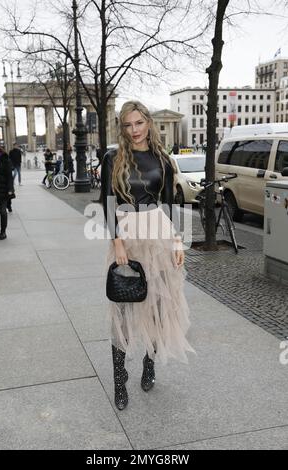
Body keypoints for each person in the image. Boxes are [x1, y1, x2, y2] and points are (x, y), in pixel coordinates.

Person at [101, 101, 194, 411]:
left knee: (156, 306)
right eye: (128, 125)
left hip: (159, 235)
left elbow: (169, 205)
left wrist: (178, 242)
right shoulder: (112, 158)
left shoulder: (164, 161)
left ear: (148, 123)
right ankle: (119, 379)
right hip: (126, 234)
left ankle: (149, 363)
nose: (134, 130)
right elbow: (108, 202)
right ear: (122, 128)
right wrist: (117, 242)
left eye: (139, 123)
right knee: (123, 310)